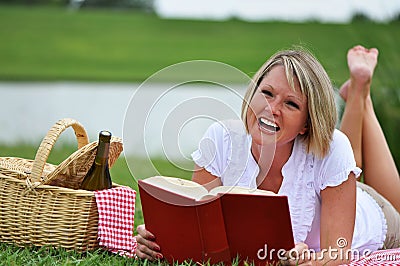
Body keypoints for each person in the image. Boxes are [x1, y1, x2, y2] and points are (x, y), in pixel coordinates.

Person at [135, 45, 400, 265]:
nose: (271, 109)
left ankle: (360, 94)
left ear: (306, 123)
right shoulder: (220, 139)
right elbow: (199, 229)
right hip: (337, 187)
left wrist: (309, 261)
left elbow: (339, 253)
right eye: (267, 93)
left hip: (375, 214)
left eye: (291, 104)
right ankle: (357, 92)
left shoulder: (333, 150)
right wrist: (157, 241)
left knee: (347, 155)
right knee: (345, 155)